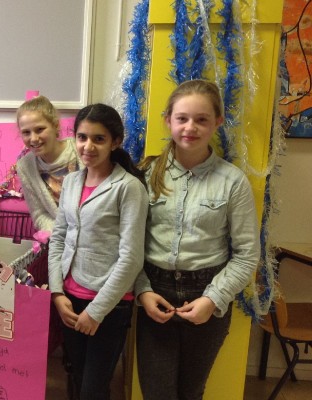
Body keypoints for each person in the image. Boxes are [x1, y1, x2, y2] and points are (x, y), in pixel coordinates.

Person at [134, 79, 260, 400]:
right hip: (155, 295)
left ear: (217, 122)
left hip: (206, 294)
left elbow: (247, 253)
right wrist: (142, 291)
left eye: (202, 119)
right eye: (182, 118)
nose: (190, 127)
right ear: (168, 120)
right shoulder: (146, 175)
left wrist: (213, 299)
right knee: (156, 393)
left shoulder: (232, 181)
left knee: (191, 392)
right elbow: (129, 244)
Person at [48, 103, 148, 400]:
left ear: (115, 142)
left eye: (98, 139)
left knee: (94, 389)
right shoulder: (71, 182)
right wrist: (57, 293)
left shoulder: (128, 187)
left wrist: (96, 312)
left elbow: (131, 258)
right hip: (70, 299)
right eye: (82, 137)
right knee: (77, 377)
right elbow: (58, 238)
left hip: (107, 305)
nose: (88, 146)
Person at [15, 96, 81, 232]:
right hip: (61, 238)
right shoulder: (25, 167)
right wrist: (62, 234)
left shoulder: (80, 149)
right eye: (26, 132)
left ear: (56, 126)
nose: (34, 139)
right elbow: (39, 215)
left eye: (40, 129)